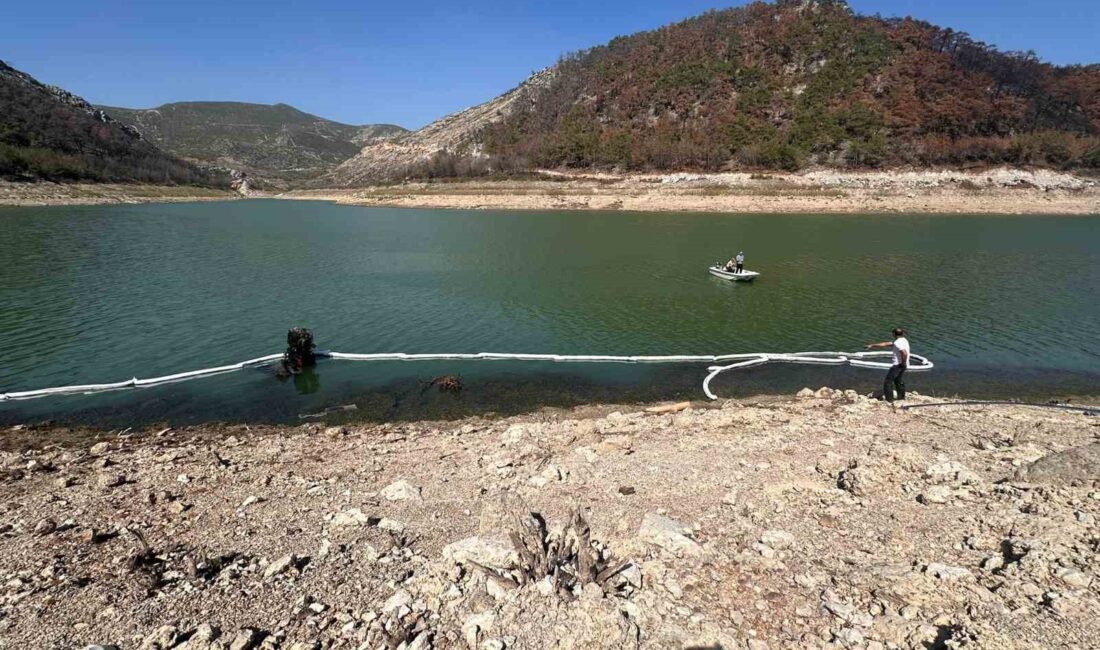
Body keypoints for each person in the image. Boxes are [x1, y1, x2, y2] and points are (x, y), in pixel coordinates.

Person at [865, 327, 910, 402]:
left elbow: (904, 353)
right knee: (898, 381)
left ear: (894, 334)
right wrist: (872, 345)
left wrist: (902, 363)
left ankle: (889, 400)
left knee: (888, 382)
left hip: (898, 365)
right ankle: (901, 398)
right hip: (903, 365)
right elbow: (886, 344)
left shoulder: (898, 342)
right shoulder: (904, 340)